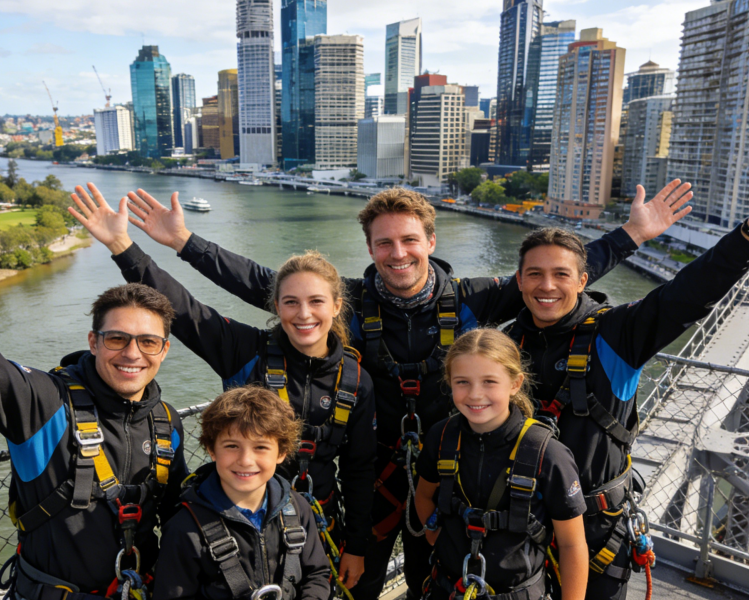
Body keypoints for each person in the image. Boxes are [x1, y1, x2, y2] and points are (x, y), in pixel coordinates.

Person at [101, 181, 690, 600]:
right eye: (384, 243)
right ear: (369, 251)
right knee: (358, 575)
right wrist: (183, 244)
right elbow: (267, 285)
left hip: (456, 465)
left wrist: (632, 236)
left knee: (450, 575)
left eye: (409, 240)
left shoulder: (472, 297)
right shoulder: (349, 302)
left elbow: (550, 281)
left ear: (430, 241)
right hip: (375, 471)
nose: (398, 253)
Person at [69, 183, 376, 592]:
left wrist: (355, 545)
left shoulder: (356, 380)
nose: (304, 314)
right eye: (290, 302)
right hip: (231, 528)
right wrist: (123, 246)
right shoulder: (245, 350)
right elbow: (181, 306)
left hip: (313, 524)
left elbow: (359, 470)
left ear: (337, 306)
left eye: (317, 302)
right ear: (275, 306)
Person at [507, 218, 749, 600]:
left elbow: (686, 294)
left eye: (561, 274)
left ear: (583, 281)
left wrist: (744, 237)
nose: (547, 286)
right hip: (520, 523)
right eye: (535, 274)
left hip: (596, 529)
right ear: (518, 281)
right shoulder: (506, 343)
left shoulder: (618, 334)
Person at [0, 283, 188, 599]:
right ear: (93, 342)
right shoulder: (44, 404)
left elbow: (180, 513)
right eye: (117, 338)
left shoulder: (165, 422)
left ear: (164, 349)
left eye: (148, 342)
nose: (133, 353)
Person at [415, 328, 588, 600]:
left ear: (515, 383)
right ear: (449, 382)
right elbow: (424, 494)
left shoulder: (548, 454)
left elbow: (572, 544)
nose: (474, 394)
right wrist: (433, 535)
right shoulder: (442, 436)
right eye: (462, 382)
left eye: (489, 382)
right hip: (448, 589)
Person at [153, 386, 332, 600]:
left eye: (261, 447)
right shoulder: (185, 530)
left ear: (282, 452)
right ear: (212, 450)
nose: (246, 460)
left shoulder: (297, 508)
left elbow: (317, 573)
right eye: (232, 446)